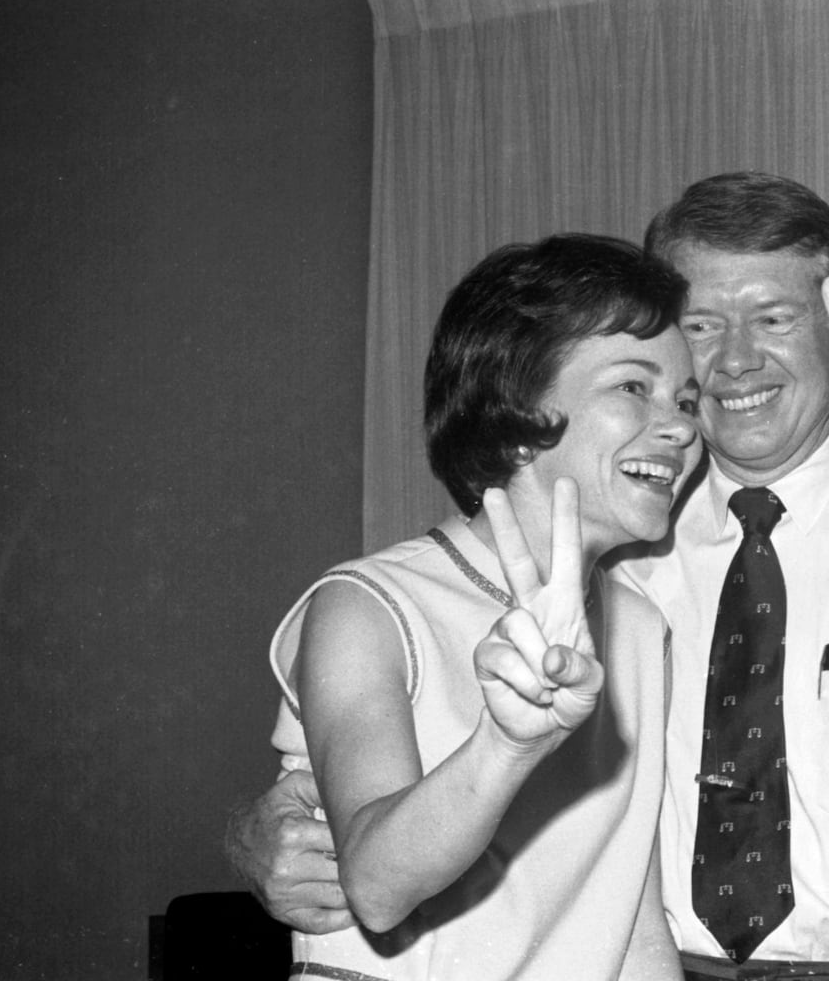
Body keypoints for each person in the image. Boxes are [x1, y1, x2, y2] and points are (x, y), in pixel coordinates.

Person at [231, 174, 829, 979]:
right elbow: (368, 775)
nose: (733, 362)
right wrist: (262, 836)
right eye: (699, 328)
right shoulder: (618, 544)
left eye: (773, 318)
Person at [262, 232, 701, 980]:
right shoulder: (365, 607)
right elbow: (375, 886)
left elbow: (632, 925)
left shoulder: (637, 627)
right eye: (634, 387)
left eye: (685, 400)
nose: (683, 425)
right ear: (517, 413)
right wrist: (509, 745)